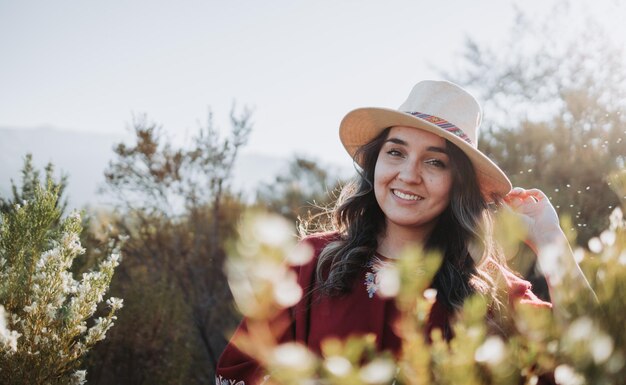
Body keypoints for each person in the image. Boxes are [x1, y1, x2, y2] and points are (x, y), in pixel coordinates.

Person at [215, 80, 594, 385]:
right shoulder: (311, 262)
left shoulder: (492, 290)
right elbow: (237, 372)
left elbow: (593, 364)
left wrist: (551, 243)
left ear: (458, 184)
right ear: (376, 162)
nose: (409, 174)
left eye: (434, 161)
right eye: (395, 152)